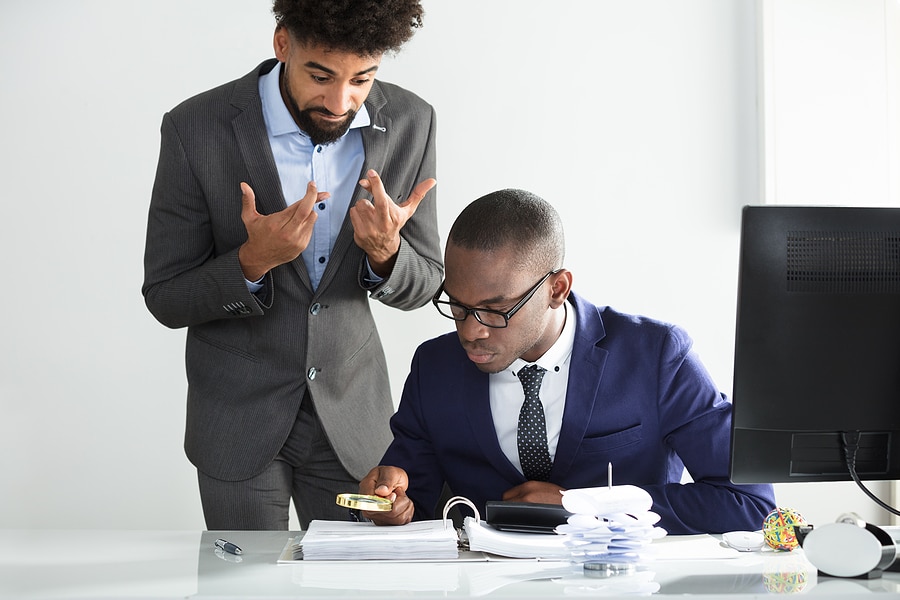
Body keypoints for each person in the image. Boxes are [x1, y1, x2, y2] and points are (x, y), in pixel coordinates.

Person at [142, 0, 442, 530]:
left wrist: (387, 255)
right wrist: (251, 262)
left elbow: (426, 284)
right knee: (243, 587)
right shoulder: (196, 127)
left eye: (362, 80)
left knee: (358, 586)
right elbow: (165, 295)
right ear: (283, 45)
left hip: (353, 419)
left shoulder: (411, 123)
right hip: (236, 417)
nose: (340, 101)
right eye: (321, 76)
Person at [359, 189, 776, 535]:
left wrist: (590, 507)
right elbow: (408, 501)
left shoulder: (656, 356)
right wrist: (388, 504)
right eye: (458, 306)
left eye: (495, 309)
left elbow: (749, 502)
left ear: (557, 289)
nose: (470, 331)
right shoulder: (435, 366)